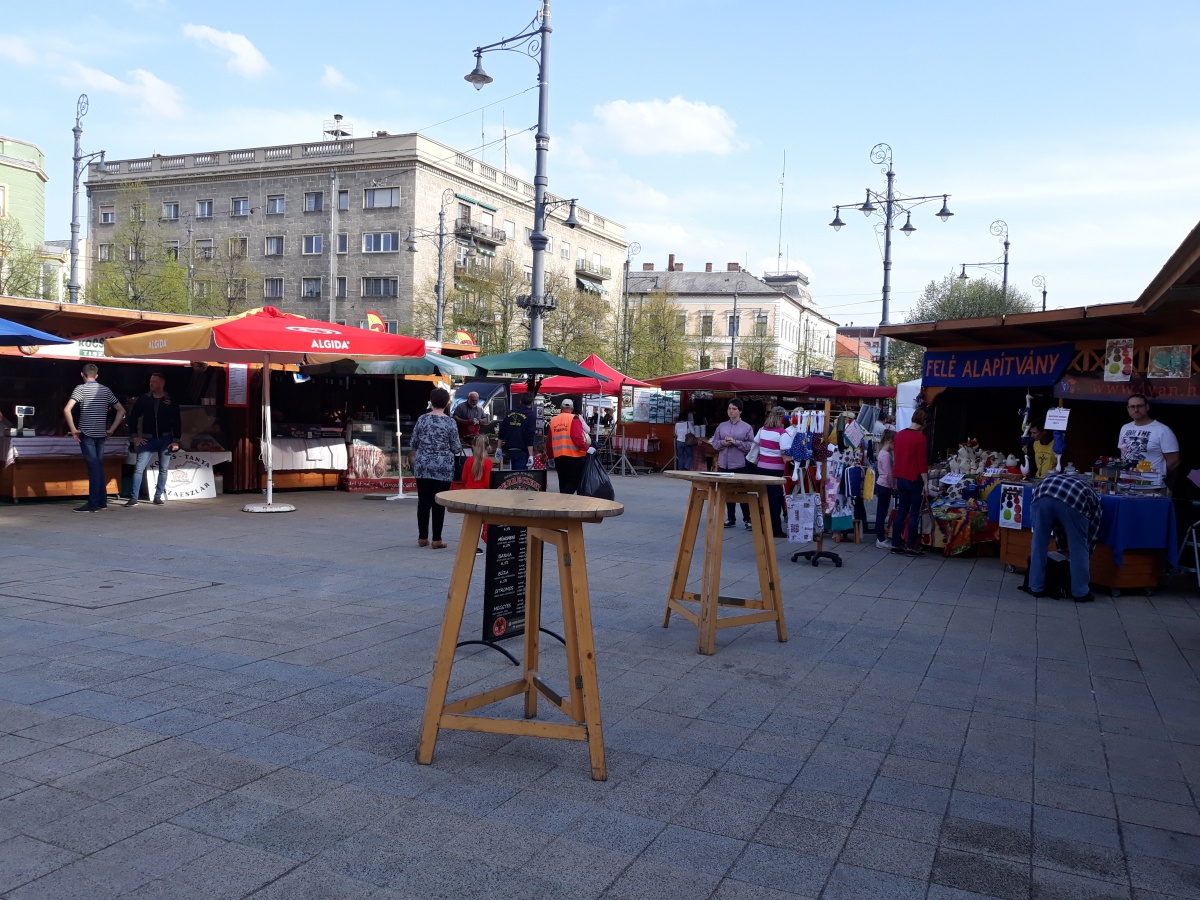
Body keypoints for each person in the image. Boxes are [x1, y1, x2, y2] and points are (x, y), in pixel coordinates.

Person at [1024, 469, 1101, 603]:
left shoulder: (1056, 479)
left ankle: (1035, 587)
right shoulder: (1094, 499)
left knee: (1038, 543)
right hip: (1073, 499)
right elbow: (1092, 532)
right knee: (1079, 548)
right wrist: (1088, 550)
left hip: (1041, 493)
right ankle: (1081, 593)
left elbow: (1058, 524)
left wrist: (1062, 547)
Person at [63, 363, 126, 512]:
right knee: (98, 466)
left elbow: (67, 409)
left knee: (93, 467)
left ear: (82, 374)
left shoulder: (80, 389)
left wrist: (73, 430)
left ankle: (93, 503)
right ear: (96, 375)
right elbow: (121, 410)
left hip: (86, 433)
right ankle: (102, 501)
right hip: (101, 434)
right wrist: (111, 429)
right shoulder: (105, 390)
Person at [410, 387, 462, 549]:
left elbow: (413, 443)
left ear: (431, 402)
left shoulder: (422, 419)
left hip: (422, 464)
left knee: (423, 501)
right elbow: (456, 447)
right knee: (438, 502)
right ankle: (437, 539)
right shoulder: (450, 422)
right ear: (447, 402)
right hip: (443, 466)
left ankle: (422, 537)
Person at [125, 373, 181, 507]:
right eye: (150, 381)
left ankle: (158, 496)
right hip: (147, 439)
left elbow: (176, 420)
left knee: (163, 469)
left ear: (161, 384)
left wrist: (176, 440)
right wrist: (134, 436)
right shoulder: (144, 399)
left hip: (166, 439)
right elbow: (133, 417)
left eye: (154, 382)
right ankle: (134, 498)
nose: (151, 384)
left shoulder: (170, 399)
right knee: (139, 468)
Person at [890, 407, 929, 558]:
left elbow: (896, 457)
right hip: (914, 479)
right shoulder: (920, 438)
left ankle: (895, 543)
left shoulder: (899, 435)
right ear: (924, 422)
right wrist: (926, 483)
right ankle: (910, 546)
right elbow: (921, 462)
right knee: (914, 513)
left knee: (901, 511)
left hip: (901, 478)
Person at [713, 398, 755, 530]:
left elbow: (751, 446)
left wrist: (736, 442)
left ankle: (747, 519)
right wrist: (723, 443)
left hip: (739, 464)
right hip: (724, 464)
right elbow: (715, 443)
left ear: (740, 411)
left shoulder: (747, 427)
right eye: (729, 408)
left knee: (742, 491)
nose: (731, 411)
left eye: (734, 409)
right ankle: (731, 518)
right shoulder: (721, 426)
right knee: (727, 492)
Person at [1118, 393, 1179, 478]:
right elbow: (1123, 454)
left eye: (1139, 406)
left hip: (1150, 484)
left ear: (1147, 407)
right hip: (1125, 482)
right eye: (1132, 406)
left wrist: (1158, 477)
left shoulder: (1162, 430)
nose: (1136, 409)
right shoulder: (1125, 428)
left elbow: (1174, 461)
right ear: (1128, 409)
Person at [752, 406, 789, 538]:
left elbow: (755, 443)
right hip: (776, 470)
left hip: (761, 467)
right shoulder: (782, 433)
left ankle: (763, 526)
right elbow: (784, 452)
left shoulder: (762, 430)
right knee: (775, 501)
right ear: (782, 418)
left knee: (763, 498)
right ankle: (775, 529)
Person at [548, 398, 592, 494]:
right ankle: (565, 499)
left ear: (561, 408)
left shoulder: (554, 420)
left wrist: (550, 456)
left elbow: (549, 441)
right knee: (573, 482)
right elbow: (577, 437)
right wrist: (586, 448)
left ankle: (563, 499)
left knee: (563, 481)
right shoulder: (574, 418)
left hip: (559, 457)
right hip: (574, 456)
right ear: (572, 408)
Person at [463, 433, 494, 555]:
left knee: (470, 520)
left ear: (473, 446)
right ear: (488, 447)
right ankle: (479, 544)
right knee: (481, 521)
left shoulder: (468, 461)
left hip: (469, 493)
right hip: (482, 495)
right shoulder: (488, 462)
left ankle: (470, 544)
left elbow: (464, 478)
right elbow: (487, 482)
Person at [497, 394, 536, 471]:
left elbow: (502, 432)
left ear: (520, 401)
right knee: (519, 474)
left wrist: (499, 448)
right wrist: (531, 455)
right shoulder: (531, 415)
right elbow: (529, 435)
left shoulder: (510, 413)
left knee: (514, 472)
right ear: (531, 403)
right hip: (522, 449)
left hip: (509, 448)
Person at [874, 429, 896, 549]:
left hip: (882, 483)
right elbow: (888, 473)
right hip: (885, 485)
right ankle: (880, 539)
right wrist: (894, 485)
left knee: (881, 512)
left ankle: (880, 537)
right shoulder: (886, 455)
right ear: (889, 440)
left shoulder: (882, 453)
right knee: (882, 513)